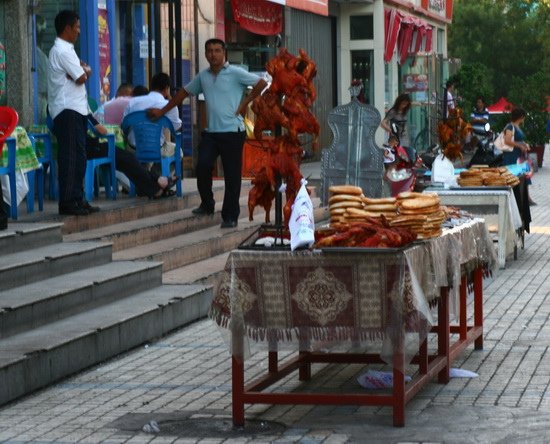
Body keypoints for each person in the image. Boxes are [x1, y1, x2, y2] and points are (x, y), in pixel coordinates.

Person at [148, 38, 267, 228]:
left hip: (233, 132)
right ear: (205, 54)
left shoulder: (235, 73)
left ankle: (230, 216)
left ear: (224, 52)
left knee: (232, 175)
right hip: (211, 133)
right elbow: (183, 93)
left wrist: (245, 103)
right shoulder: (203, 76)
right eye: (210, 50)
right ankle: (207, 204)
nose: (213, 54)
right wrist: (161, 112)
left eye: (217, 50)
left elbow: (261, 83)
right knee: (202, 166)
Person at [47, 10, 99, 216]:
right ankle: (68, 201)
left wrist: (81, 70)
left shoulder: (68, 49)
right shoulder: (62, 50)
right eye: (76, 27)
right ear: (67, 28)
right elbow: (81, 77)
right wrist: (84, 70)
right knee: (70, 156)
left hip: (76, 109)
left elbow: (79, 73)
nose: (78, 31)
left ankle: (78, 198)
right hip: (66, 109)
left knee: (80, 155)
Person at [86, 114, 177, 199]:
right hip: (89, 147)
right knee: (127, 158)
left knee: (127, 159)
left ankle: (155, 185)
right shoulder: (81, 108)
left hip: (87, 146)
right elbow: (103, 131)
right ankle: (157, 185)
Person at [123, 73, 182, 149]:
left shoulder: (133, 102)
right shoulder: (169, 105)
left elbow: (124, 126)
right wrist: (171, 101)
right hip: (158, 149)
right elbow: (176, 128)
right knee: (179, 151)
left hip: (133, 149)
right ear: (166, 89)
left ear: (151, 86)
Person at [501, 107, 536, 205]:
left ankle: (525, 197)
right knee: (514, 176)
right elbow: (507, 141)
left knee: (523, 175)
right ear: (521, 117)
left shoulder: (517, 127)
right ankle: (517, 199)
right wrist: (520, 145)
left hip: (519, 155)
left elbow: (518, 139)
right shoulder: (510, 126)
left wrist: (524, 144)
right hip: (512, 155)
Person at [380, 93, 414, 162]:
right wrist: (390, 130)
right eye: (403, 103)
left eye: (406, 104)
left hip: (405, 137)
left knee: (406, 157)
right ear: (399, 102)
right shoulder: (393, 111)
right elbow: (383, 123)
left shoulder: (404, 111)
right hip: (396, 138)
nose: (404, 106)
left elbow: (412, 103)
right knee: (397, 157)